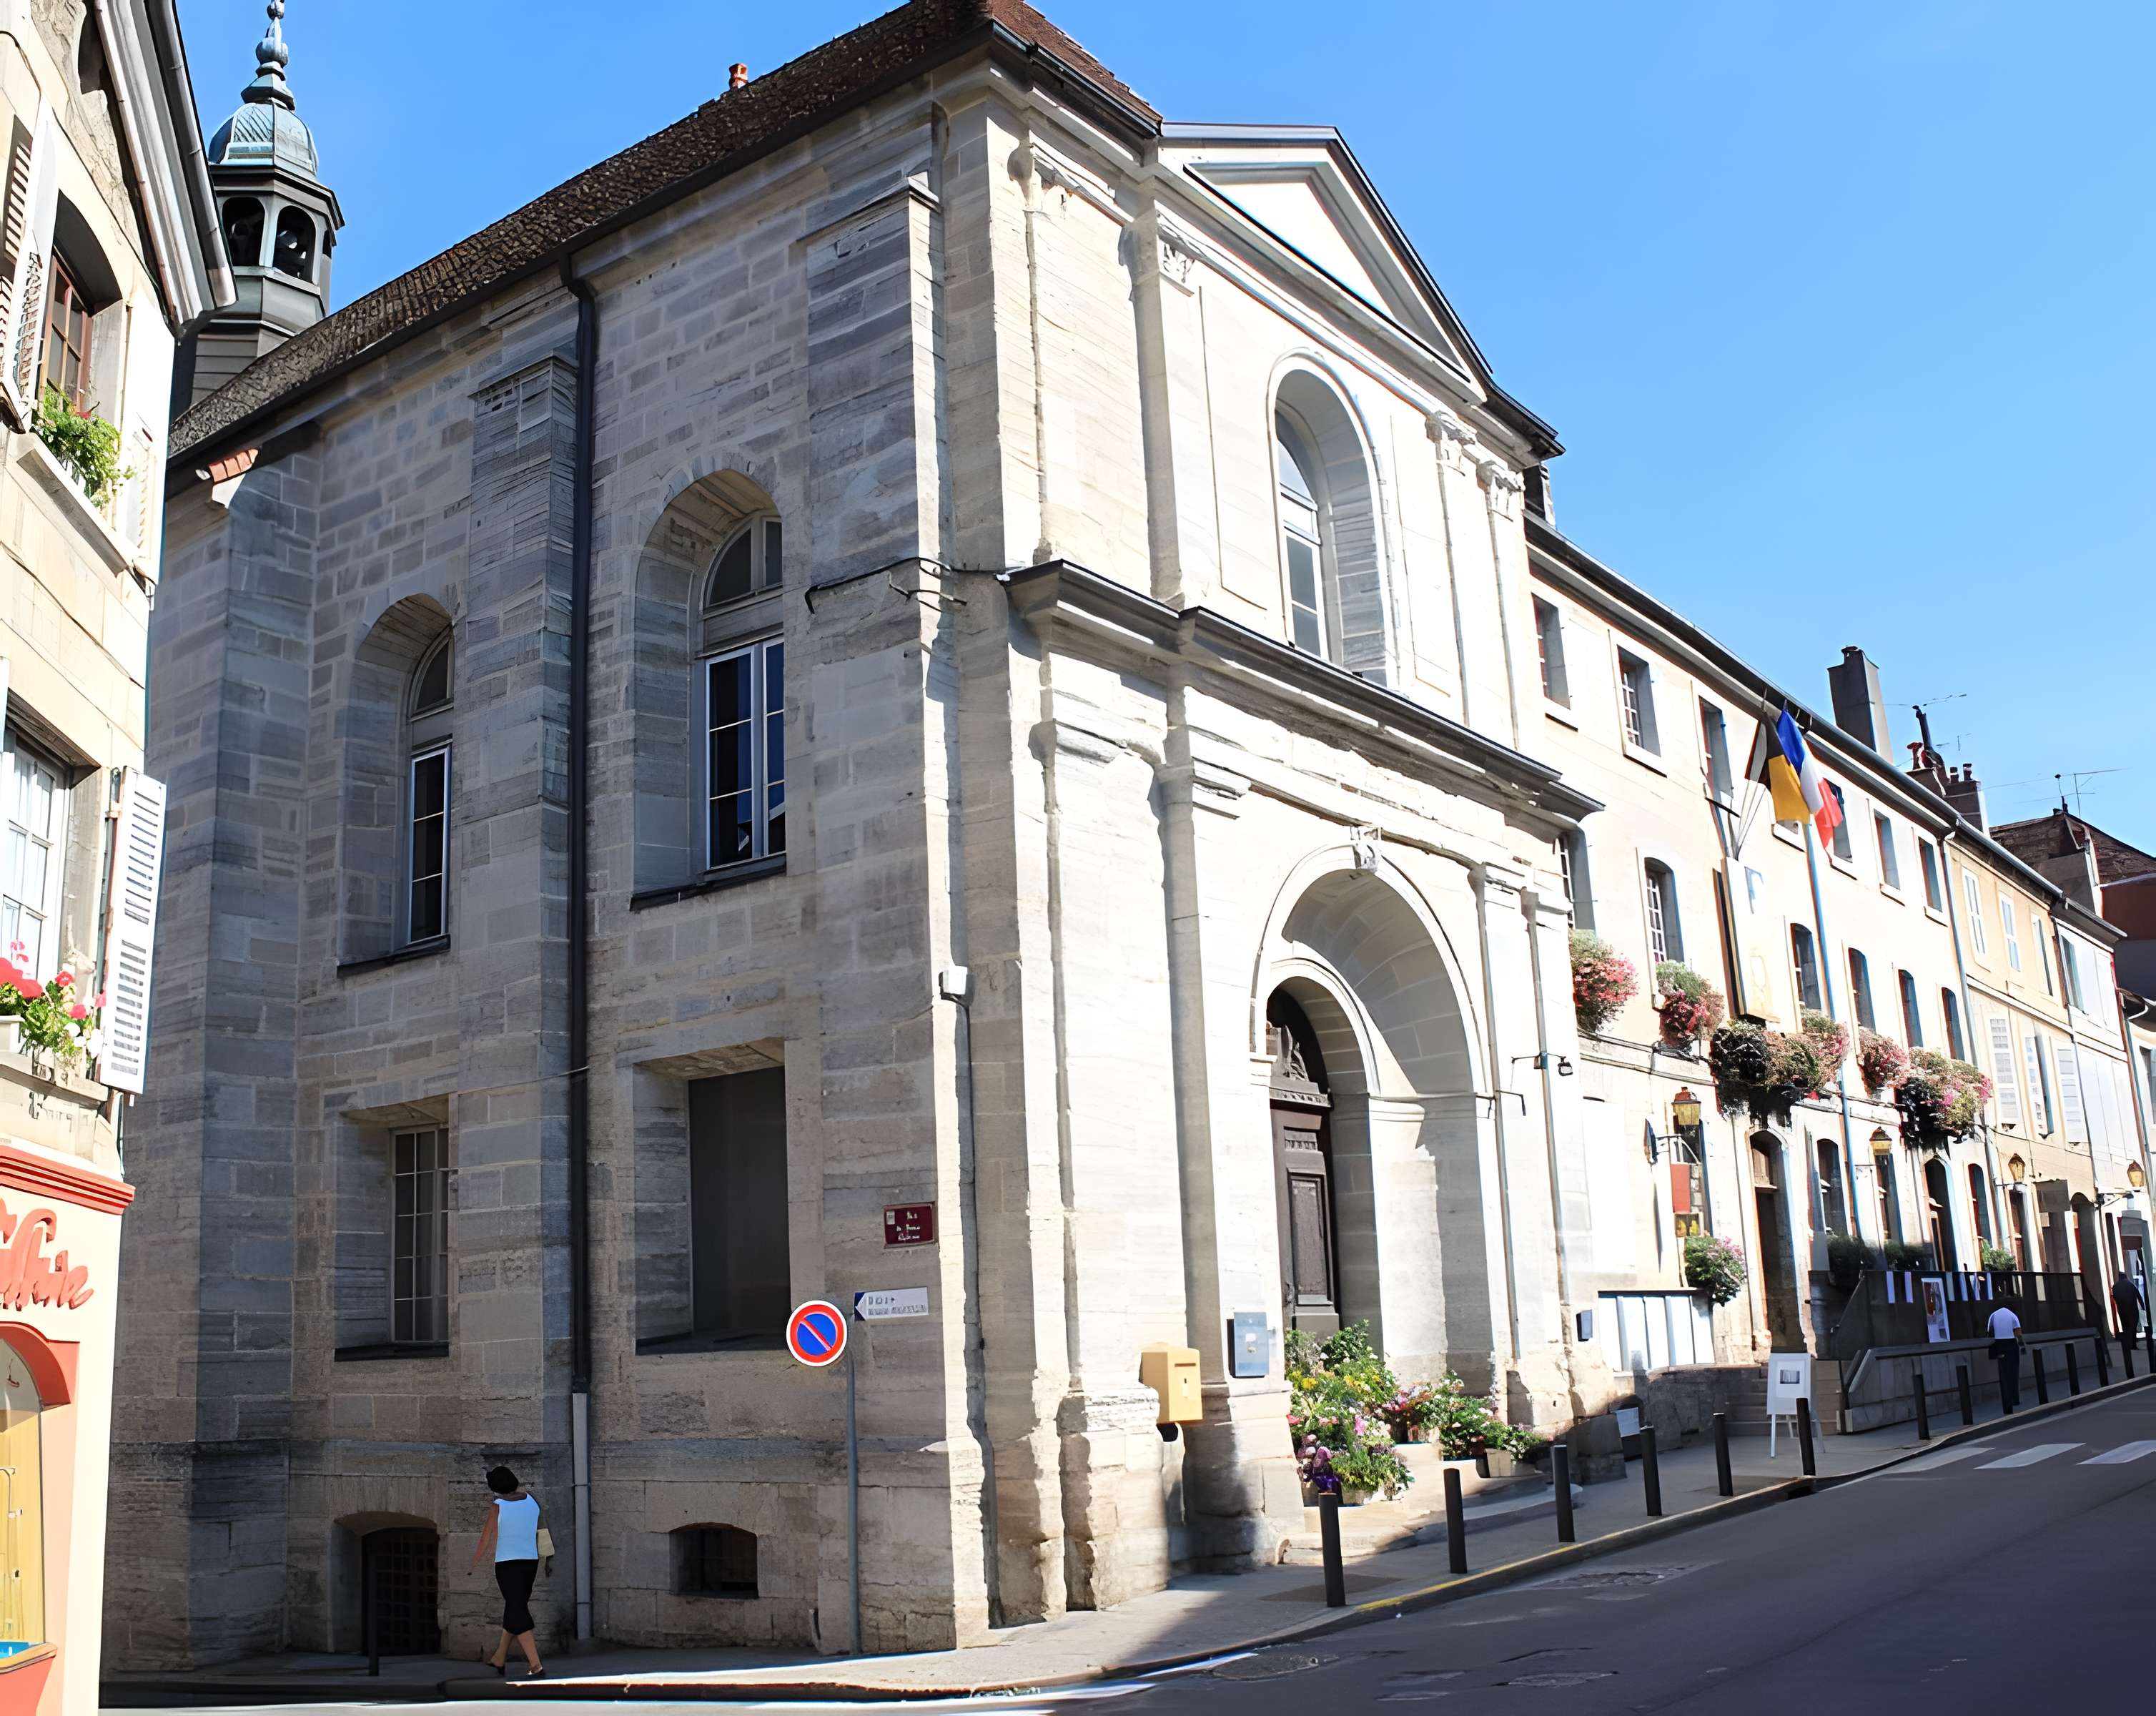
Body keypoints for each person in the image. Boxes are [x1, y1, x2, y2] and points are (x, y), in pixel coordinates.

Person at [469, 1466, 545, 1677]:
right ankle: (499, 1659)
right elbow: (541, 1529)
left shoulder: (498, 1505)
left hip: (507, 1565)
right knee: (515, 1608)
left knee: (518, 1611)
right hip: (530, 1562)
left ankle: (536, 1665)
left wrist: (474, 1563)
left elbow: (486, 1537)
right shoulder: (532, 1500)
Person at [1988, 1299, 2024, 1414]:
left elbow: (1989, 1331)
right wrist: (2022, 1346)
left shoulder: (1993, 1315)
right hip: (2011, 1345)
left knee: (2003, 1373)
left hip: (1999, 1344)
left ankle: (2006, 1398)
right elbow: (2018, 1334)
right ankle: (2015, 1399)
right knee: (2014, 1373)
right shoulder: (2013, 1315)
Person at [2112, 1270, 2145, 1343]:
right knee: (2133, 1326)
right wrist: (2143, 1307)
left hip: (2122, 1310)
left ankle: (2128, 1343)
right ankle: (2133, 1342)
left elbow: (2114, 1297)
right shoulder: (2131, 1285)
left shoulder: (2115, 1286)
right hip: (2132, 1310)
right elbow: (2139, 1297)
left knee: (2125, 1326)